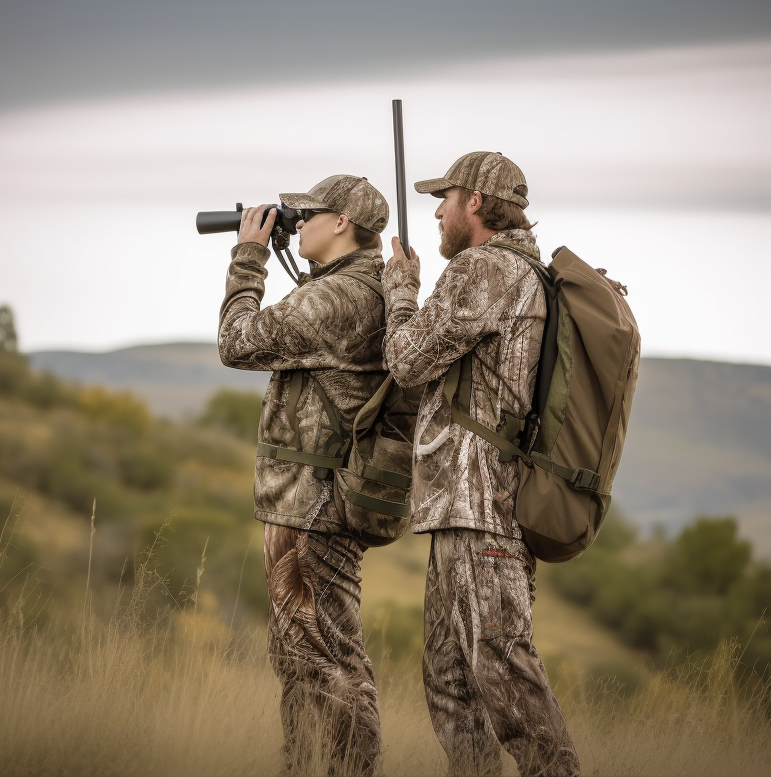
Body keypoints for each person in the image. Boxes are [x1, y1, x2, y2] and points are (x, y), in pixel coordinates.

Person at [382, 152, 581, 776]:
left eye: (445, 198)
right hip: (462, 505)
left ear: (476, 202)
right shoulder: (516, 270)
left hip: (481, 504)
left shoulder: (484, 269)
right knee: (451, 682)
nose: (436, 211)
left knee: (503, 673)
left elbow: (408, 361)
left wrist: (401, 290)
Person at [217, 174, 390, 776]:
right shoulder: (361, 287)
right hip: (315, 499)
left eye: (304, 212)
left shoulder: (335, 299)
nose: (295, 221)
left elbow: (236, 342)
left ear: (342, 221)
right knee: (302, 658)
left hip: (312, 505)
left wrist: (250, 257)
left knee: (325, 660)